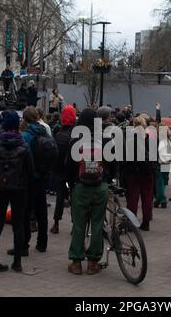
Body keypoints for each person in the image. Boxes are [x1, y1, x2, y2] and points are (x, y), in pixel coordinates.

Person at [65, 108, 113, 275]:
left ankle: (76, 262)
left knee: (79, 224)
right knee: (98, 224)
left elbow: (69, 166)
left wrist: (71, 185)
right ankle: (93, 263)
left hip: (80, 187)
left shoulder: (76, 139)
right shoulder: (105, 139)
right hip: (100, 187)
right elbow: (113, 164)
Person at [0, 110, 33, 273]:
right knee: (18, 225)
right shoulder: (24, 146)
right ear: (17, 126)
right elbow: (30, 170)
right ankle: (17, 262)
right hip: (19, 188)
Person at [16, 106, 54, 255]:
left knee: (25, 212)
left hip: (29, 177)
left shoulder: (25, 135)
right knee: (42, 211)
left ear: (25, 119)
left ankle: (24, 244)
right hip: (43, 175)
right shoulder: (45, 131)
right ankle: (42, 243)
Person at [123, 116, 157, 231]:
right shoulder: (149, 138)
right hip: (147, 172)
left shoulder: (128, 138)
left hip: (132, 171)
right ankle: (146, 222)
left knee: (133, 198)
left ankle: (131, 222)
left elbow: (124, 156)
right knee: (147, 197)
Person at [50, 105, 77, 234]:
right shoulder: (77, 132)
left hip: (59, 169)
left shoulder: (57, 131)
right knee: (75, 196)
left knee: (60, 197)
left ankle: (56, 223)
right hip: (72, 170)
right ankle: (74, 224)